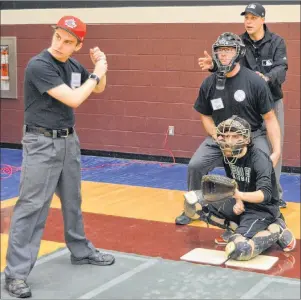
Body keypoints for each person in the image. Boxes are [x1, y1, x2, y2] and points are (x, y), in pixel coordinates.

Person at [4, 16, 115, 298]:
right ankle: (15, 273)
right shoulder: (40, 65)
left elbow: (97, 88)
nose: (60, 44)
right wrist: (96, 73)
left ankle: (80, 250)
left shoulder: (73, 64)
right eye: (58, 37)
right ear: (53, 34)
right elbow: (76, 99)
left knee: (72, 200)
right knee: (32, 206)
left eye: (68, 41)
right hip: (41, 142)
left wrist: (101, 69)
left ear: (78, 45)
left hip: (68, 141)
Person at [175, 31, 281, 228]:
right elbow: (205, 115)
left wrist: (276, 150)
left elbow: (270, 118)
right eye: (220, 51)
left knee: (263, 166)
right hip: (223, 137)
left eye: (228, 50)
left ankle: (267, 209)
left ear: (238, 53)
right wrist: (217, 135)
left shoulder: (255, 82)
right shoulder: (209, 83)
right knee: (195, 165)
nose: (223, 55)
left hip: (252, 136)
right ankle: (193, 207)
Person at [198, 2, 288, 208]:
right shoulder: (239, 42)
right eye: (246, 18)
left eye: (253, 18)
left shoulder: (276, 42)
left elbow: (282, 69)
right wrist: (214, 66)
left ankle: (274, 193)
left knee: (274, 147)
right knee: (248, 147)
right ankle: (245, 192)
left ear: (262, 20)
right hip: (249, 104)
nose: (248, 22)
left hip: (272, 100)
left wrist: (264, 79)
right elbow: (230, 66)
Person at [182, 116, 296, 261]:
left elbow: (264, 195)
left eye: (235, 136)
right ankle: (238, 228)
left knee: (239, 249)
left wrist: (239, 196)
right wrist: (238, 201)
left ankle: (276, 230)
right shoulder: (228, 155)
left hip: (262, 209)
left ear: (247, 139)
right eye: (227, 136)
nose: (229, 141)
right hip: (243, 202)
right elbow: (235, 182)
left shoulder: (260, 159)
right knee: (193, 203)